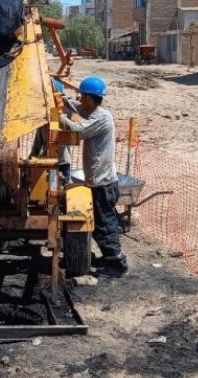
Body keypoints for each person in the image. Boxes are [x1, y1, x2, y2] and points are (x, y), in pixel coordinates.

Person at [60, 76, 128, 278]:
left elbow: (77, 130)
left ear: (89, 97)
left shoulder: (101, 118)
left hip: (103, 183)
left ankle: (116, 265)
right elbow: (80, 110)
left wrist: (56, 116)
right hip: (98, 181)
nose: (80, 99)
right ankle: (109, 258)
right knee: (99, 226)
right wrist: (64, 100)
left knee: (105, 226)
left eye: (82, 96)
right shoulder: (93, 111)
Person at [30, 79, 72, 184]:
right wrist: (31, 159)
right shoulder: (43, 124)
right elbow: (37, 145)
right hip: (46, 163)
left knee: (63, 191)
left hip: (62, 163)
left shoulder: (65, 118)